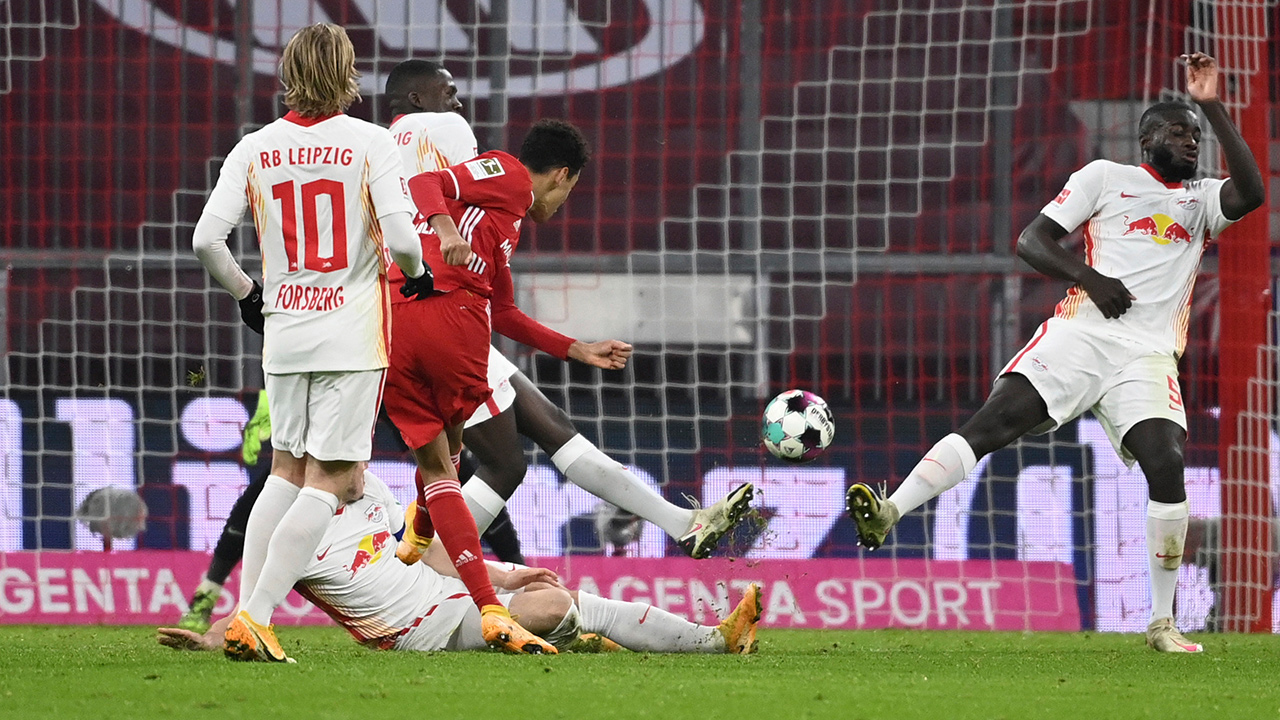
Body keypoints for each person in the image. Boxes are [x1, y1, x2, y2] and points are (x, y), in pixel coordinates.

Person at [845, 53, 1264, 653]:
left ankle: (1163, 623)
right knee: (992, 424)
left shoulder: (1199, 202)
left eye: (1195, 135)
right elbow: (1031, 241)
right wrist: (1092, 280)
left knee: (1167, 461)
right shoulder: (1104, 176)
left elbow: (1251, 193)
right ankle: (889, 512)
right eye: (1179, 131)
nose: (1191, 142)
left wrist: (1213, 107)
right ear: (1147, 139)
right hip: (1081, 333)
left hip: (1146, 355)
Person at [384, 59, 754, 561]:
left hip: (443, 314)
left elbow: (507, 311)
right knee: (503, 463)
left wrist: (575, 349)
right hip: (439, 317)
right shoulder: (504, 173)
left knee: (548, 425)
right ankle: (423, 569)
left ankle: (682, 523)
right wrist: (445, 232)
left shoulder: (502, 221)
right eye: (571, 188)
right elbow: (428, 184)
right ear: (561, 175)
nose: (458, 104)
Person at [191, 23, 435, 663]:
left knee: (284, 471)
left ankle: (245, 616)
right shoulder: (372, 143)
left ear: (289, 71)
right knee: (338, 482)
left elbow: (205, 242)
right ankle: (258, 616)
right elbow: (405, 242)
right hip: (352, 334)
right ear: (348, 72)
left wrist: (250, 294)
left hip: (286, 331)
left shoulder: (255, 146)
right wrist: (419, 277)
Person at [158, 472, 763, 655]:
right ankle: (711, 642)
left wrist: (502, 574)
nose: (358, 468)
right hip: (419, 633)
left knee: (548, 596)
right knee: (557, 606)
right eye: (346, 462)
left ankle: (708, 639)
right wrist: (210, 643)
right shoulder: (293, 536)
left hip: (451, 598)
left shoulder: (367, 492)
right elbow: (251, 609)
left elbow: (429, 549)